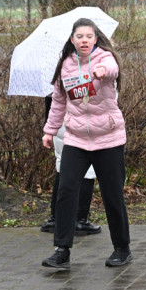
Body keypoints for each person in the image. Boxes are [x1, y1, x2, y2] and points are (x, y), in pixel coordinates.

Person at [41, 18, 131, 270]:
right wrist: (49, 131)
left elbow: (112, 69)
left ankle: (122, 248)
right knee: (66, 191)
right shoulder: (66, 65)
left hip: (108, 138)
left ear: (95, 39)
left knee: (112, 195)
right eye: (79, 36)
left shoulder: (105, 58)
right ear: (72, 40)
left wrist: (101, 71)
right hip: (76, 139)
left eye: (88, 37)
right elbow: (58, 102)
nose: (84, 40)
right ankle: (62, 250)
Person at [39, 92, 100, 237]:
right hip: (79, 121)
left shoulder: (56, 79)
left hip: (59, 123)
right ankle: (80, 220)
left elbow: (53, 100)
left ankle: (55, 218)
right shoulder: (84, 78)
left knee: (62, 166)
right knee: (88, 171)